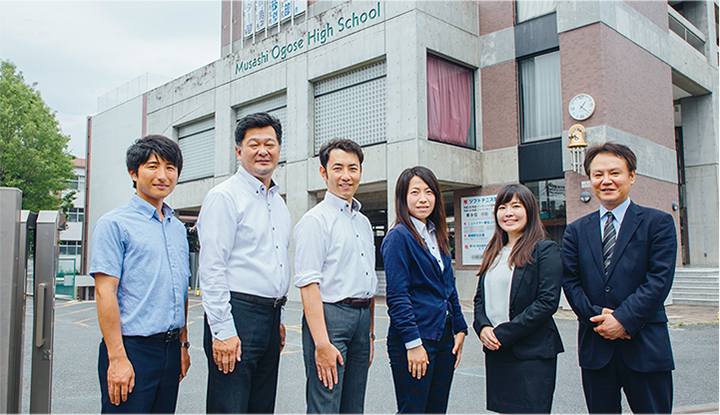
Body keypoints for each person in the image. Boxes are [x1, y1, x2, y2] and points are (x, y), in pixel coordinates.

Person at [562, 142, 676, 415]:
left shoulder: (657, 223)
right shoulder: (576, 231)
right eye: (598, 174)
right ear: (590, 180)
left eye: (615, 173)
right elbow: (570, 282)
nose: (606, 181)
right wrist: (599, 318)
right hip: (596, 347)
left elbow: (659, 280)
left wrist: (623, 319)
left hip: (645, 345)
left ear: (632, 176)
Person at [197, 112, 290, 415]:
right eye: (254, 144)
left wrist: (278, 318)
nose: (263, 150)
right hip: (237, 314)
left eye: (270, 143)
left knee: (261, 406)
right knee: (230, 407)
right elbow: (212, 268)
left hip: (270, 316)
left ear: (279, 149)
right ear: (239, 151)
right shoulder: (224, 197)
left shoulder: (277, 202)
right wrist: (222, 329)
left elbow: (275, 262)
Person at [91, 135, 191, 415]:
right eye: (152, 166)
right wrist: (117, 358)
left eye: (170, 168)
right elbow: (104, 292)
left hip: (171, 349)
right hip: (132, 349)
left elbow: (180, 288)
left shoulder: (177, 228)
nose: (163, 175)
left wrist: (183, 344)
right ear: (133, 173)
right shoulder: (114, 224)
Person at [293, 139, 378, 415]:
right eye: (337, 168)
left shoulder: (363, 222)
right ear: (323, 172)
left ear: (360, 172)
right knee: (325, 404)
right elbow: (308, 285)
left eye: (352, 168)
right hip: (330, 319)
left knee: (354, 406)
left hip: (362, 321)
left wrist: (370, 333)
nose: (346, 176)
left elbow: (368, 281)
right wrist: (321, 343)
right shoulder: (314, 221)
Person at [381, 166, 468, 415]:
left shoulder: (436, 234)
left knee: (436, 410)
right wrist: (413, 343)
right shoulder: (399, 238)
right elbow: (398, 297)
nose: (423, 199)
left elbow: (448, 287)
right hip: (415, 339)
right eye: (415, 192)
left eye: (429, 192)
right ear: (403, 198)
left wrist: (460, 328)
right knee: (413, 411)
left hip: (443, 336)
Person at [473, 183, 564, 415]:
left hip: (531, 353)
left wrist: (503, 333)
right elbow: (479, 299)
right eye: (502, 207)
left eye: (516, 206)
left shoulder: (545, 250)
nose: (508, 213)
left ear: (530, 211)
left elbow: (547, 302)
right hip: (497, 351)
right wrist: (482, 327)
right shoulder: (493, 252)